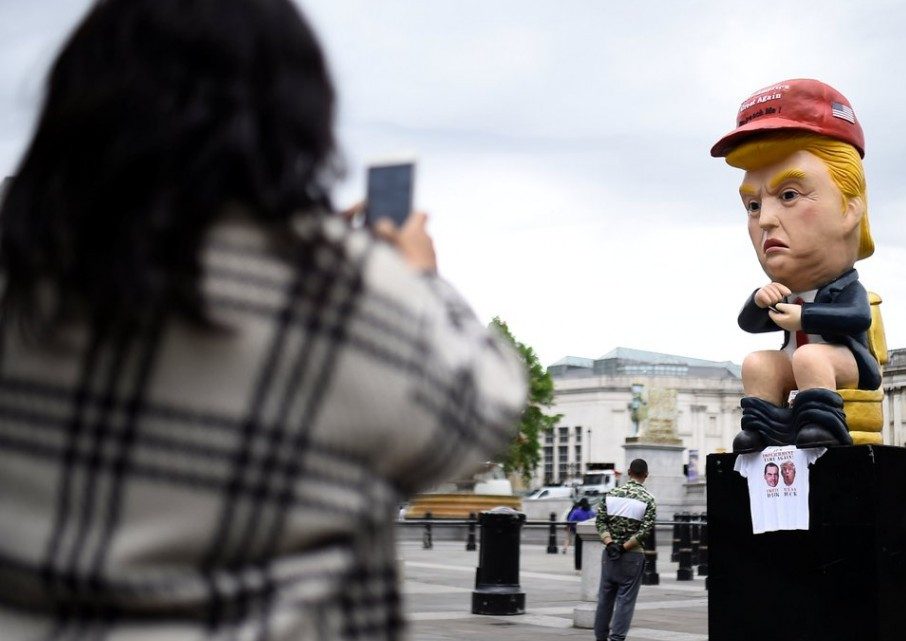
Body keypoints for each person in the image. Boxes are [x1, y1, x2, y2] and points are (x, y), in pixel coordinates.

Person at [0, 2, 529, 639]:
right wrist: (416, 278)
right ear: (297, 119)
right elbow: (481, 411)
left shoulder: (25, 255)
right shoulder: (343, 291)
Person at [711, 79, 879, 451]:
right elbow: (749, 325)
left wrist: (805, 318)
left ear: (849, 209)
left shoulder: (844, 287)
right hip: (795, 361)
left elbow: (857, 318)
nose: (765, 220)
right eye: (753, 205)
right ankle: (763, 427)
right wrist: (759, 301)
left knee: (811, 356)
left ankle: (821, 423)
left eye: (789, 195)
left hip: (845, 364)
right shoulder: (784, 290)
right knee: (758, 363)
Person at [595, 459, 657, 641]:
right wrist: (624, 547)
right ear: (646, 475)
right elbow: (644, 530)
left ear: (628, 472)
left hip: (609, 554)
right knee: (625, 600)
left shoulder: (611, 494)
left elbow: (600, 521)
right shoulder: (649, 500)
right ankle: (617, 638)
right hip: (632, 556)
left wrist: (610, 543)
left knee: (605, 599)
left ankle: (600, 637)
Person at [566, 497, 597, 570]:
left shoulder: (576, 512)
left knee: (578, 551)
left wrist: (574, 529)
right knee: (588, 551)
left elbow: (570, 522)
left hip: (578, 533)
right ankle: (587, 565)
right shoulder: (591, 512)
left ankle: (578, 567)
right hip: (590, 534)